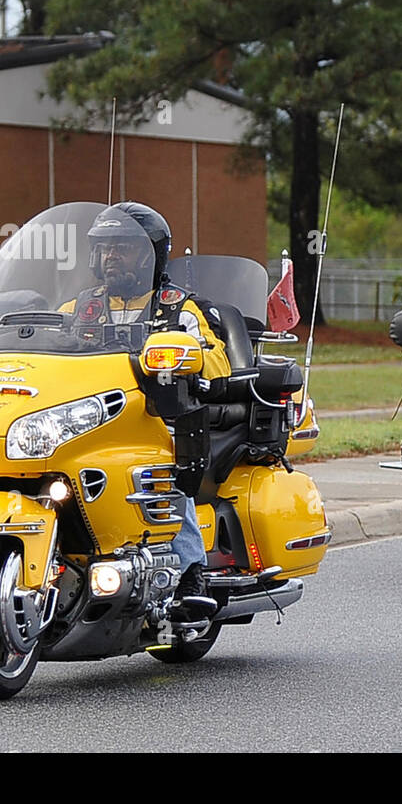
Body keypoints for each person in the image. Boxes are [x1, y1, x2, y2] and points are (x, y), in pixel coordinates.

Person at [69, 202, 230, 621]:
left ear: (151, 256)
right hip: (91, 420)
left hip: (161, 421)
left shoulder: (180, 308)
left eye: (123, 248)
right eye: (105, 248)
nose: (111, 257)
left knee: (164, 477)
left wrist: (185, 356)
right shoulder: (78, 308)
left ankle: (192, 573)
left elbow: (218, 362)